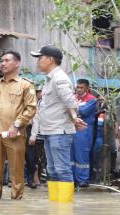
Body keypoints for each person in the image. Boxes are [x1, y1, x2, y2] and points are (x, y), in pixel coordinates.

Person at [30, 45, 87, 203]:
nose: (38, 61)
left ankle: (65, 208)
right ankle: (56, 206)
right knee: (52, 170)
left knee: (61, 169)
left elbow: (70, 101)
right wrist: (74, 118)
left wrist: (74, 118)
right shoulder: (50, 78)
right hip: (50, 131)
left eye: (40, 58)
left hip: (59, 132)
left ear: (50, 60)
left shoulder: (59, 78)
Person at [0, 51, 37, 200]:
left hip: (14, 133)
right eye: (1, 60)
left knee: (16, 170)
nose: (2, 63)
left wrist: (17, 125)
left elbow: (30, 108)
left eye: (7, 60)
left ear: (17, 63)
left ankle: (17, 203)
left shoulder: (26, 85)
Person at [72, 79, 97, 187]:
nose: (78, 90)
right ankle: (72, 178)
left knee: (82, 154)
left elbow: (84, 111)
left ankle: (83, 179)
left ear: (87, 88)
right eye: (77, 87)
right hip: (72, 128)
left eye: (81, 87)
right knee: (71, 155)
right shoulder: (73, 97)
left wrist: (73, 107)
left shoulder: (92, 99)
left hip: (84, 130)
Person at [29, 88, 46, 186]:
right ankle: (34, 177)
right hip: (36, 133)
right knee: (34, 157)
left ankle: (39, 177)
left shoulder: (44, 103)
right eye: (38, 92)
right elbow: (36, 120)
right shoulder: (37, 103)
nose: (40, 94)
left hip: (45, 133)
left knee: (42, 158)